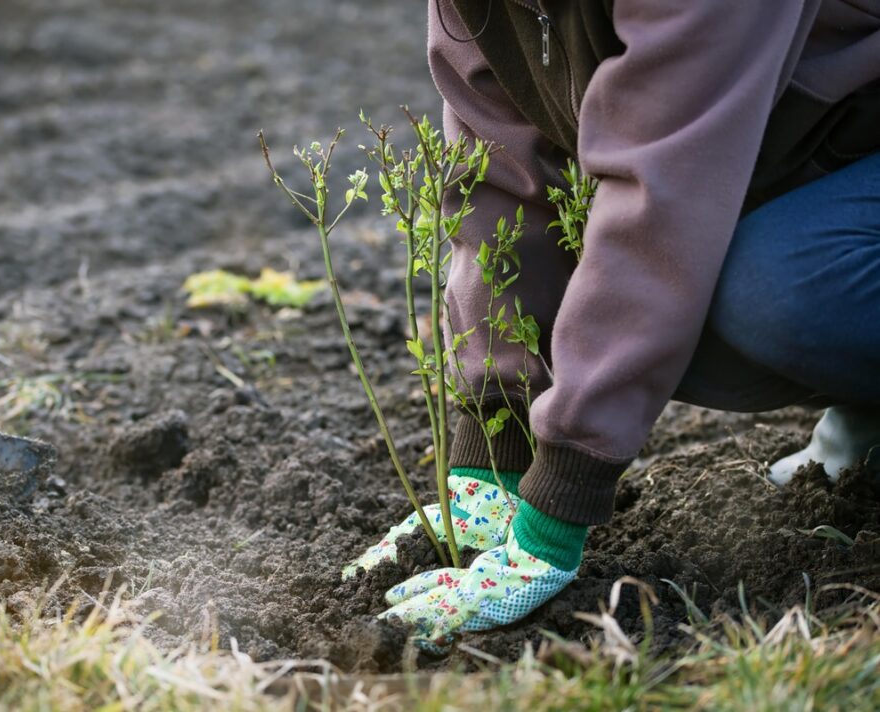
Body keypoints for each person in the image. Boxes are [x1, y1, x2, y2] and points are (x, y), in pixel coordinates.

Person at [343, 0, 880, 648]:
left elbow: (661, 198)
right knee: (643, 307)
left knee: (767, 289)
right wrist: (494, 445)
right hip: (819, 144)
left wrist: (556, 511)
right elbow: (498, 169)